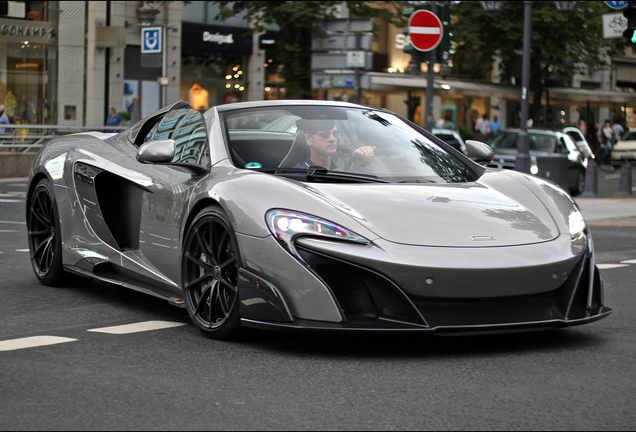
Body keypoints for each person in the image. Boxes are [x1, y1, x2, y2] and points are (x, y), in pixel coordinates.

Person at [294, 119, 375, 171]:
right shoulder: (297, 174)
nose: (332, 138)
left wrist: (356, 165)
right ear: (308, 139)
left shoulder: (343, 166)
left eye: (335, 133)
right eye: (325, 134)